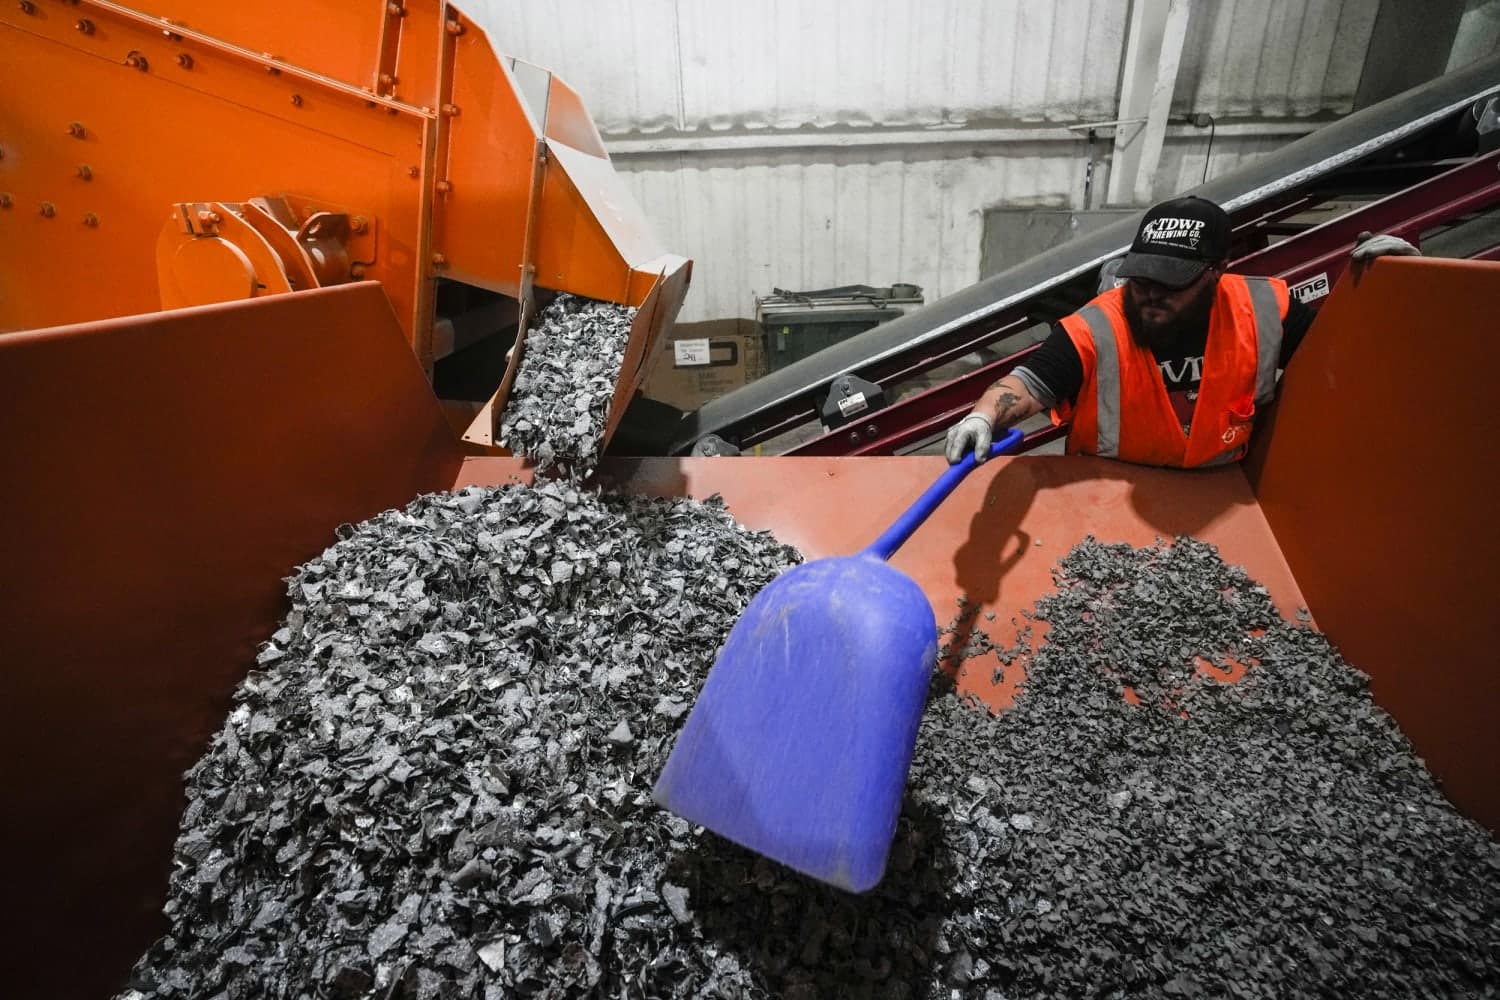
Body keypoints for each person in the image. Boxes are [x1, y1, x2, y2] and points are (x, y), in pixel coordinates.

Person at [944, 196, 1418, 468]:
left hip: (1222, 492)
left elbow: (1345, 372)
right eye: (1142, 279)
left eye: (1170, 284)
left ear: (1217, 271)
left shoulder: (1265, 309)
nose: (1151, 295)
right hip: (1108, 494)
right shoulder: (1098, 325)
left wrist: (1401, 292)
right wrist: (982, 417)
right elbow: (1027, 386)